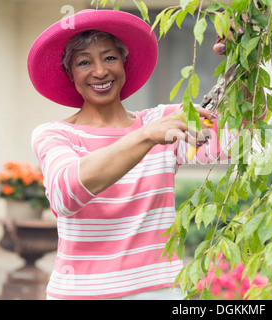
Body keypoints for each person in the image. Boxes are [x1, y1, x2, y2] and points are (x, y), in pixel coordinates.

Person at [28, 9, 236, 300]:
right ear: (70, 73)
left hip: (159, 291)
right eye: (84, 62)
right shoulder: (55, 134)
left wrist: (241, 59)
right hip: (80, 294)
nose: (100, 71)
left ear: (123, 63)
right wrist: (145, 135)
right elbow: (66, 195)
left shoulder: (161, 120)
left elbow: (236, 139)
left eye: (110, 57)